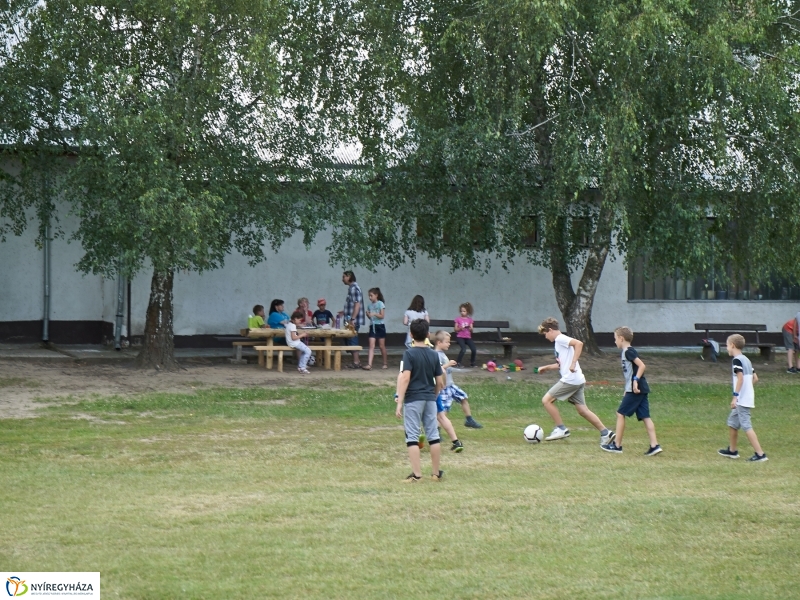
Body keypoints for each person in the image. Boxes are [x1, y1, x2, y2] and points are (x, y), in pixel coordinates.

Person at [535, 317, 615, 445]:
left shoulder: (560, 338)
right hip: (577, 379)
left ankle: (561, 428)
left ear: (550, 330)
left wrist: (573, 363)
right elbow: (561, 364)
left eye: (545, 334)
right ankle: (606, 433)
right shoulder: (558, 343)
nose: (545, 337)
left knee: (546, 400)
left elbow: (579, 343)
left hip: (570, 380)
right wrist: (546, 368)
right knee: (583, 410)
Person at [395, 319, 445, 482]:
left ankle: (417, 475)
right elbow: (440, 382)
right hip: (429, 399)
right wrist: (434, 395)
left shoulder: (409, 353)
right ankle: (435, 474)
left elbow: (405, 378)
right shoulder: (433, 355)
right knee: (433, 435)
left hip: (413, 399)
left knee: (412, 436)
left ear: (411, 335)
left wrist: (400, 401)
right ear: (427, 335)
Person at [601, 326, 662, 455]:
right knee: (645, 416)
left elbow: (641, 366)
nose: (614, 341)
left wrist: (635, 381)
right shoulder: (627, 351)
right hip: (638, 388)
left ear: (621, 338)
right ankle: (654, 445)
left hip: (636, 389)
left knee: (620, 413)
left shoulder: (628, 351)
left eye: (615, 339)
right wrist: (627, 387)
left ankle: (617, 445)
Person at [718, 334, 768, 462]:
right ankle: (732, 451)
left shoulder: (737, 360)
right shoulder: (746, 360)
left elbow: (740, 378)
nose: (727, 348)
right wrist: (747, 389)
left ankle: (760, 454)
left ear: (733, 345)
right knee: (732, 422)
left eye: (727, 345)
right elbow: (755, 378)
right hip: (745, 397)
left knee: (746, 425)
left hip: (742, 400)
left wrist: (735, 397)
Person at [434, 330, 483, 431]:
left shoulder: (441, 353)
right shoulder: (436, 355)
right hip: (444, 387)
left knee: (463, 397)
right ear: (439, 342)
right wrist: (448, 364)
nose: (449, 344)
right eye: (447, 342)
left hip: (450, 385)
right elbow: (436, 369)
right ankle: (436, 430)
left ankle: (469, 420)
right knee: (444, 410)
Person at [337, 271, 364, 368]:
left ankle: (356, 362)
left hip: (353, 320)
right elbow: (352, 305)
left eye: (344, 276)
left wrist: (352, 319)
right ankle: (356, 361)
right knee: (350, 339)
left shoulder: (354, 289)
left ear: (349, 277)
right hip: (349, 319)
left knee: (353, 339)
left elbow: (357, 305)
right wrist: (344, 311)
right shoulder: (351, 288)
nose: (342, 279)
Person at [365, 288, 388, 370]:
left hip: (380, 326)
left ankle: (385, 363)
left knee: (382, 346)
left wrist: (374, 314)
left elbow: (382, 316)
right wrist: (368, 314)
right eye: (369, 296)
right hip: (372, 326)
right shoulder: (369, 305)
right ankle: (369, 364)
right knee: (371, 345)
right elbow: (370, 317)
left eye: (371, 295)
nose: (370, 297)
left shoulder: (380, 304)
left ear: (376, 295)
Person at [454, 302, 477, 367]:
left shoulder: (470, 320)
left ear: (468, 312)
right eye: (461, 311)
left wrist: (470, 328)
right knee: (463, 349)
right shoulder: (458, 319)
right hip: (460, 337)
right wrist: (460, 328)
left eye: (464, 311)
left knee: (474, 349)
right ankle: (458, 362)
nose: (462, 312)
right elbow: (455, 329)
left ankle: (472, 362)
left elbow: (472, 329)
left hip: (468, 337)